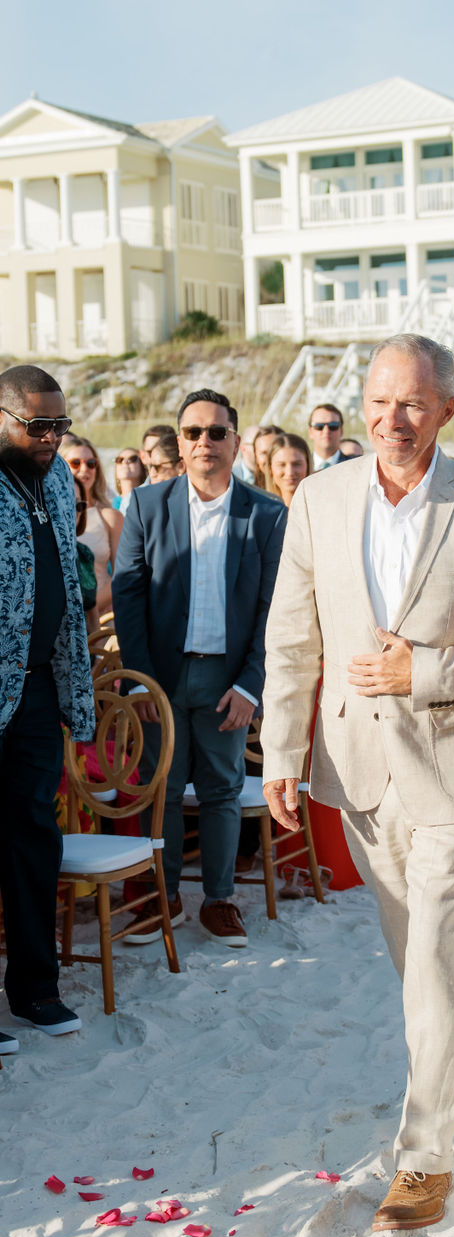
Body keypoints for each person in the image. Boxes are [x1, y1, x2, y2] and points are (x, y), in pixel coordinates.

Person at [260, 332, 454, 1233]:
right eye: (380, 401)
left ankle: (425, 1158)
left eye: (415, 402)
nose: (393, 419)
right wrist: (279, 754)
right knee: (410, 956)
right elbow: (291, 637)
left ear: (447, 410)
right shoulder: (317, 497)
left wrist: (420, 670)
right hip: (358, 773)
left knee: (437, 956)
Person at [112, 388, 288, 950]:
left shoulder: (266, 513)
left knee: (221, 791)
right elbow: (129, 595)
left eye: (217, 432)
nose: (205, 442)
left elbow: (275, 610)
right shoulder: (146, 505)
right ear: (179, 443)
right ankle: (161, 899)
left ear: (236, 441)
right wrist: (139, 680)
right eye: (193, 433)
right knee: (160, 789)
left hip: (227, 680)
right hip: (160, 676)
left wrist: (250, 685)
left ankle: (219, 901)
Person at [0, 365, 94, 1044]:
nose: (53, 438)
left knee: (34, 837)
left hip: (37, 688)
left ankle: (35, 991)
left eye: (60, 423)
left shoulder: (57, 476)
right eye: (37, 426)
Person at [62, 435, 122, 619]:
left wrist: (87, 608)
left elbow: (123, 574)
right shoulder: (46, 516)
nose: (84, 469)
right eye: (75, 463)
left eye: (91, 463)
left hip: (101, 622)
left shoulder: (110, 517)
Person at [73, 477, 100, 637]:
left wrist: (98, 658)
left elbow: (92, 612)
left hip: (85, 654)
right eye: (67, 502)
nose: (75, 511)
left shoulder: (84, 553)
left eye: (79, 505)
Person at [265, 433, 312, 508]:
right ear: (270, 468)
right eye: (281, 465)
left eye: (296, 464)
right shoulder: (260, 510)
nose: (289, 472)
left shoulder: (321, 507)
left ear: (308, 464)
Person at [307, 403, 349, 470]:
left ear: (341, 431)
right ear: (310, 432)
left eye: (333, 426)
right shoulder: (300, 467)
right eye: (319, 426)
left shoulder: (356, 466)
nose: (326, 431)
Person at [252, 424, 285, 490]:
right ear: (256, 458)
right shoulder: (250, 495)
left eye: (274, 451)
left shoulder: (302, 490)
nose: (269, 458)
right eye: (264, 453)